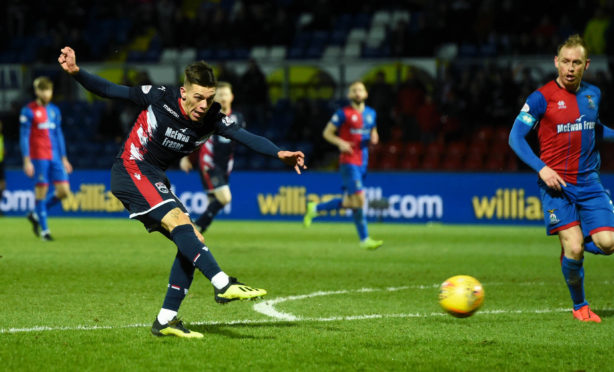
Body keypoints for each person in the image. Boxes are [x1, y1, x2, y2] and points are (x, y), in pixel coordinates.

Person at [58, 46, 306, 338]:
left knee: (192, 239)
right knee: (179, 222)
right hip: (131, 168)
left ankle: (166, 319)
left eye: (209, 98)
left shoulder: (212, 117)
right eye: (198, 97)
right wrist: (76, 72)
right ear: (184, 92)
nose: (203, 104)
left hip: (154, 177)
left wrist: (279, 154)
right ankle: (223, 283)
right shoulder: (160, 96)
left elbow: (243, 135)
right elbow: (113, 90)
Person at [509, 34, 614, 323]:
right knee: (575, 247)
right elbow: (515, 137)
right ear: (556, 62)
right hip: (556, 186)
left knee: (607, 243)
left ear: (586, 65)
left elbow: (595, 128)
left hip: (590, 183)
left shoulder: (593, 95)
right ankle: (580, 306)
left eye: (576, 62)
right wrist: (541, 168)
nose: (570, 67)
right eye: (565, 61)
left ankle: (574, 247)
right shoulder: (540, 98)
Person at [303, 81, 383, 250]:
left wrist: (375, 136)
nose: (358, 93)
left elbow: (373, 130)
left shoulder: (371, 113)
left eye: (360, 90)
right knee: (360, 199)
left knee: (350, 202)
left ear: (366, 94)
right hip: (349, 162)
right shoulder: (343, 113)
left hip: (363, 161)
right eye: (354, 90)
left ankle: (316, 208)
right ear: (349, 95)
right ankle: (364, 239)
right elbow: (327, 133)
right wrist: (340, 143)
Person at [179, 82, 244, 233]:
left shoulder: (238, 117)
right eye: (219, 95)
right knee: (225, 197)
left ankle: (196, 233)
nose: (223, 98)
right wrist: (187, 157)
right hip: (209, 163)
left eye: (225, 94)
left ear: (231, 97)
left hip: (226, 164)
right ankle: (196, 226)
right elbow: (196, 138)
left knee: (213, 202)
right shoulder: (207, 117)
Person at [20, 76, 73, 241]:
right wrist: (27, 160)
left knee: (64, 192)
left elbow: (58, 134)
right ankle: (45, 232)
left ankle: (35, 214)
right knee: (41, 193)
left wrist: (64, 158)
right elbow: (24, 136)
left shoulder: (54, 111)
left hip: (56, 157)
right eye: (43, 90)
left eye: (48, 90)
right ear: (37, 91)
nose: (46, 93)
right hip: (39, 157)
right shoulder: (28, 111)